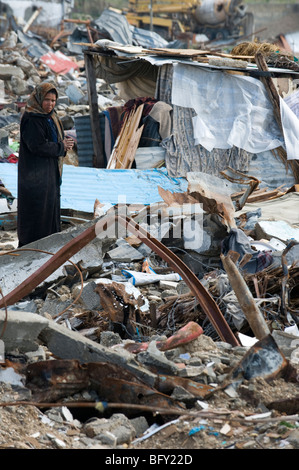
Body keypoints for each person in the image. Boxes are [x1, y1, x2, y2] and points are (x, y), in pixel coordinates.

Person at [17, 82, 74, 247]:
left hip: (48, 171)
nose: (50, 104)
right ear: (39, 98)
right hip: (34, 175)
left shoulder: (50, 116)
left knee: (50, 208)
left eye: (54, 100)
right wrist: (60, 146)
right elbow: (37, 145)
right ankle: (32, 248)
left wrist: (63, 145)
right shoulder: (32, 118)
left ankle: (48, 246)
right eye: (47, 100)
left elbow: (52, 140)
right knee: (36, 211)